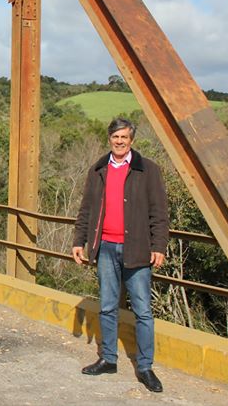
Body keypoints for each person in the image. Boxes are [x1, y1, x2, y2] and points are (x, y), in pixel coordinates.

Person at [71, 117, 169, 393]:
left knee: (143, 311)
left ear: (131, 140)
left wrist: (159, 246)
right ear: (109, 138)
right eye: (115, 137)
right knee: (107, 306)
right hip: (104, 248)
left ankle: (146, 367)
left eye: (124, 137)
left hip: (137, 249)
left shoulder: (147, 170)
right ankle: (108, 359)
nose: (119, 141)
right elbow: (86, 209)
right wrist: (80, 241)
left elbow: (159, 213)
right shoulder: (98, 169)